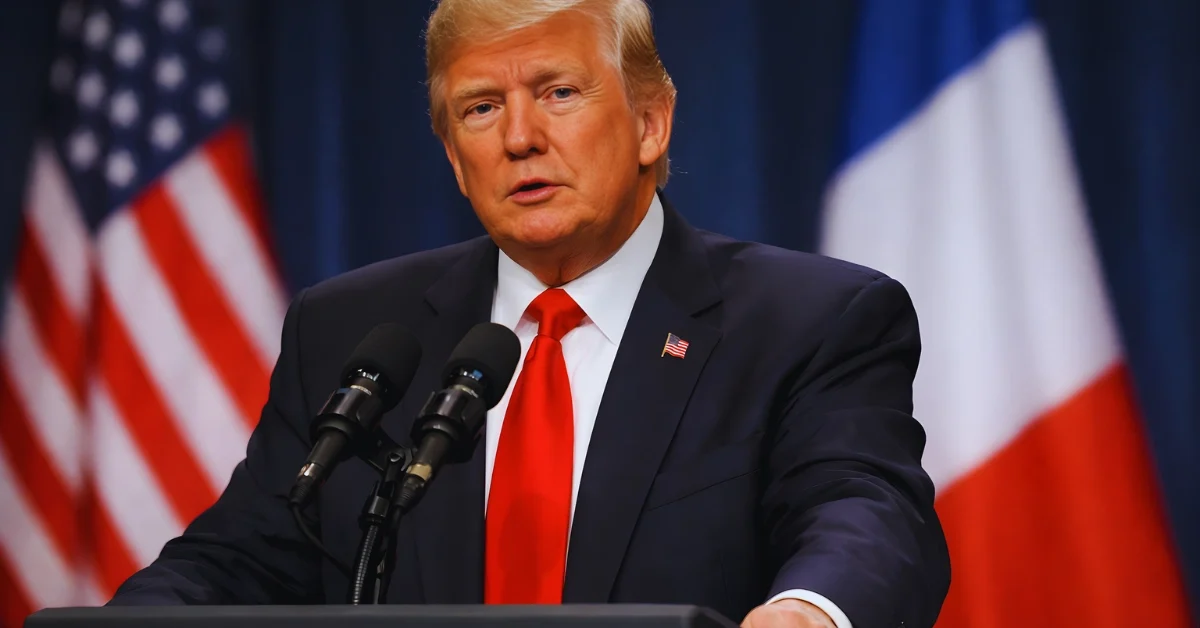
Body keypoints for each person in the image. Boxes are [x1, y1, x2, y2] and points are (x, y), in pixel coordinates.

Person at [109, 1, 951, 626]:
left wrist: (807, 610)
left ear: (651, 121)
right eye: (480, 107)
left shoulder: (808, 321)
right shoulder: (356, 330)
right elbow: (244, 556)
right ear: (452, 155)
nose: (518, 137)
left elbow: (864, 511)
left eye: (558, 92)